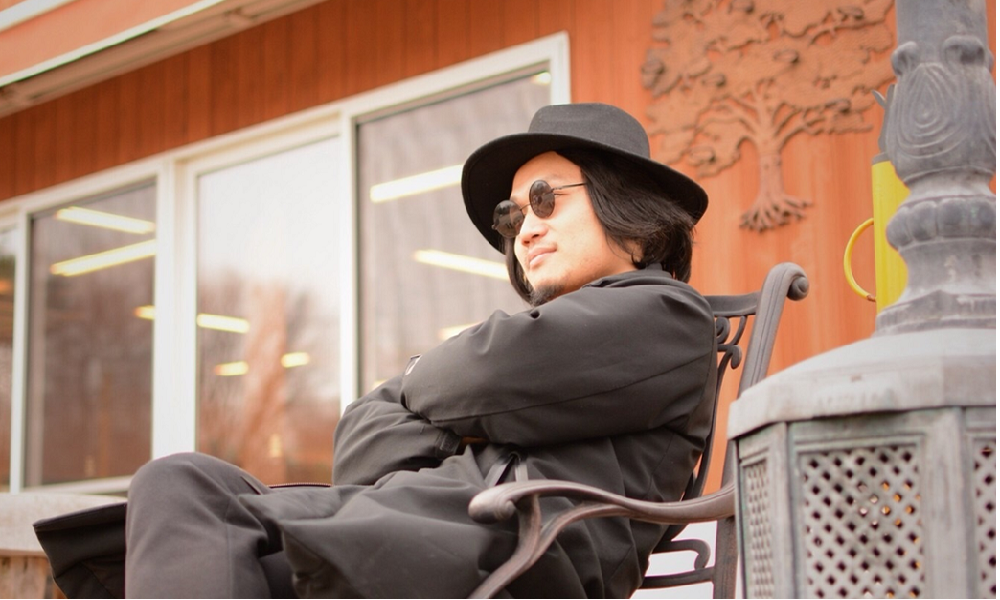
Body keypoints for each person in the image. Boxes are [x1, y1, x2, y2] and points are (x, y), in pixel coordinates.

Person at [35, 102, 717, 599]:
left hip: (505, 551)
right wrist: (464, 401)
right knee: (179, 481)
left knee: (200, 536)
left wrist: (435, 391)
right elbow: (362, 442)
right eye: (512, 216)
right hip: (404, 527)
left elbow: (487, 370)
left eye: (544, 201)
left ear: (629, 213)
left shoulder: (665, 316)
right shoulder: (540, 343)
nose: (525, 231)